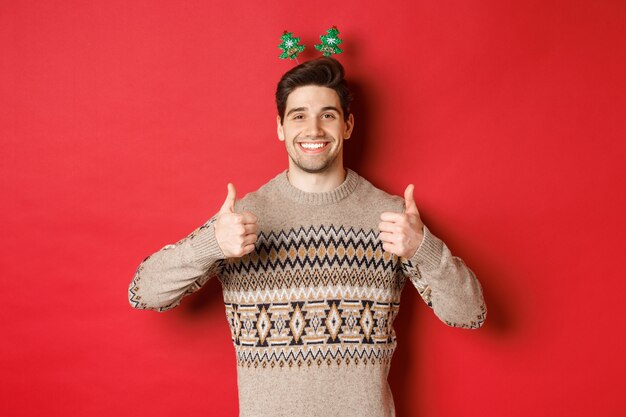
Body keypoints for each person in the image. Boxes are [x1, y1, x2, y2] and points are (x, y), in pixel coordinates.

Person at [128, 56, 486, 417]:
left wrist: (422, 249)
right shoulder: (238, 221)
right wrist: (209, 246)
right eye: (298, 115)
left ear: (347, 125)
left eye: (327, 115)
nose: (313, 129)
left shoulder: (393, 218)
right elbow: (143, 293)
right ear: (280, 127)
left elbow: (470, 314)